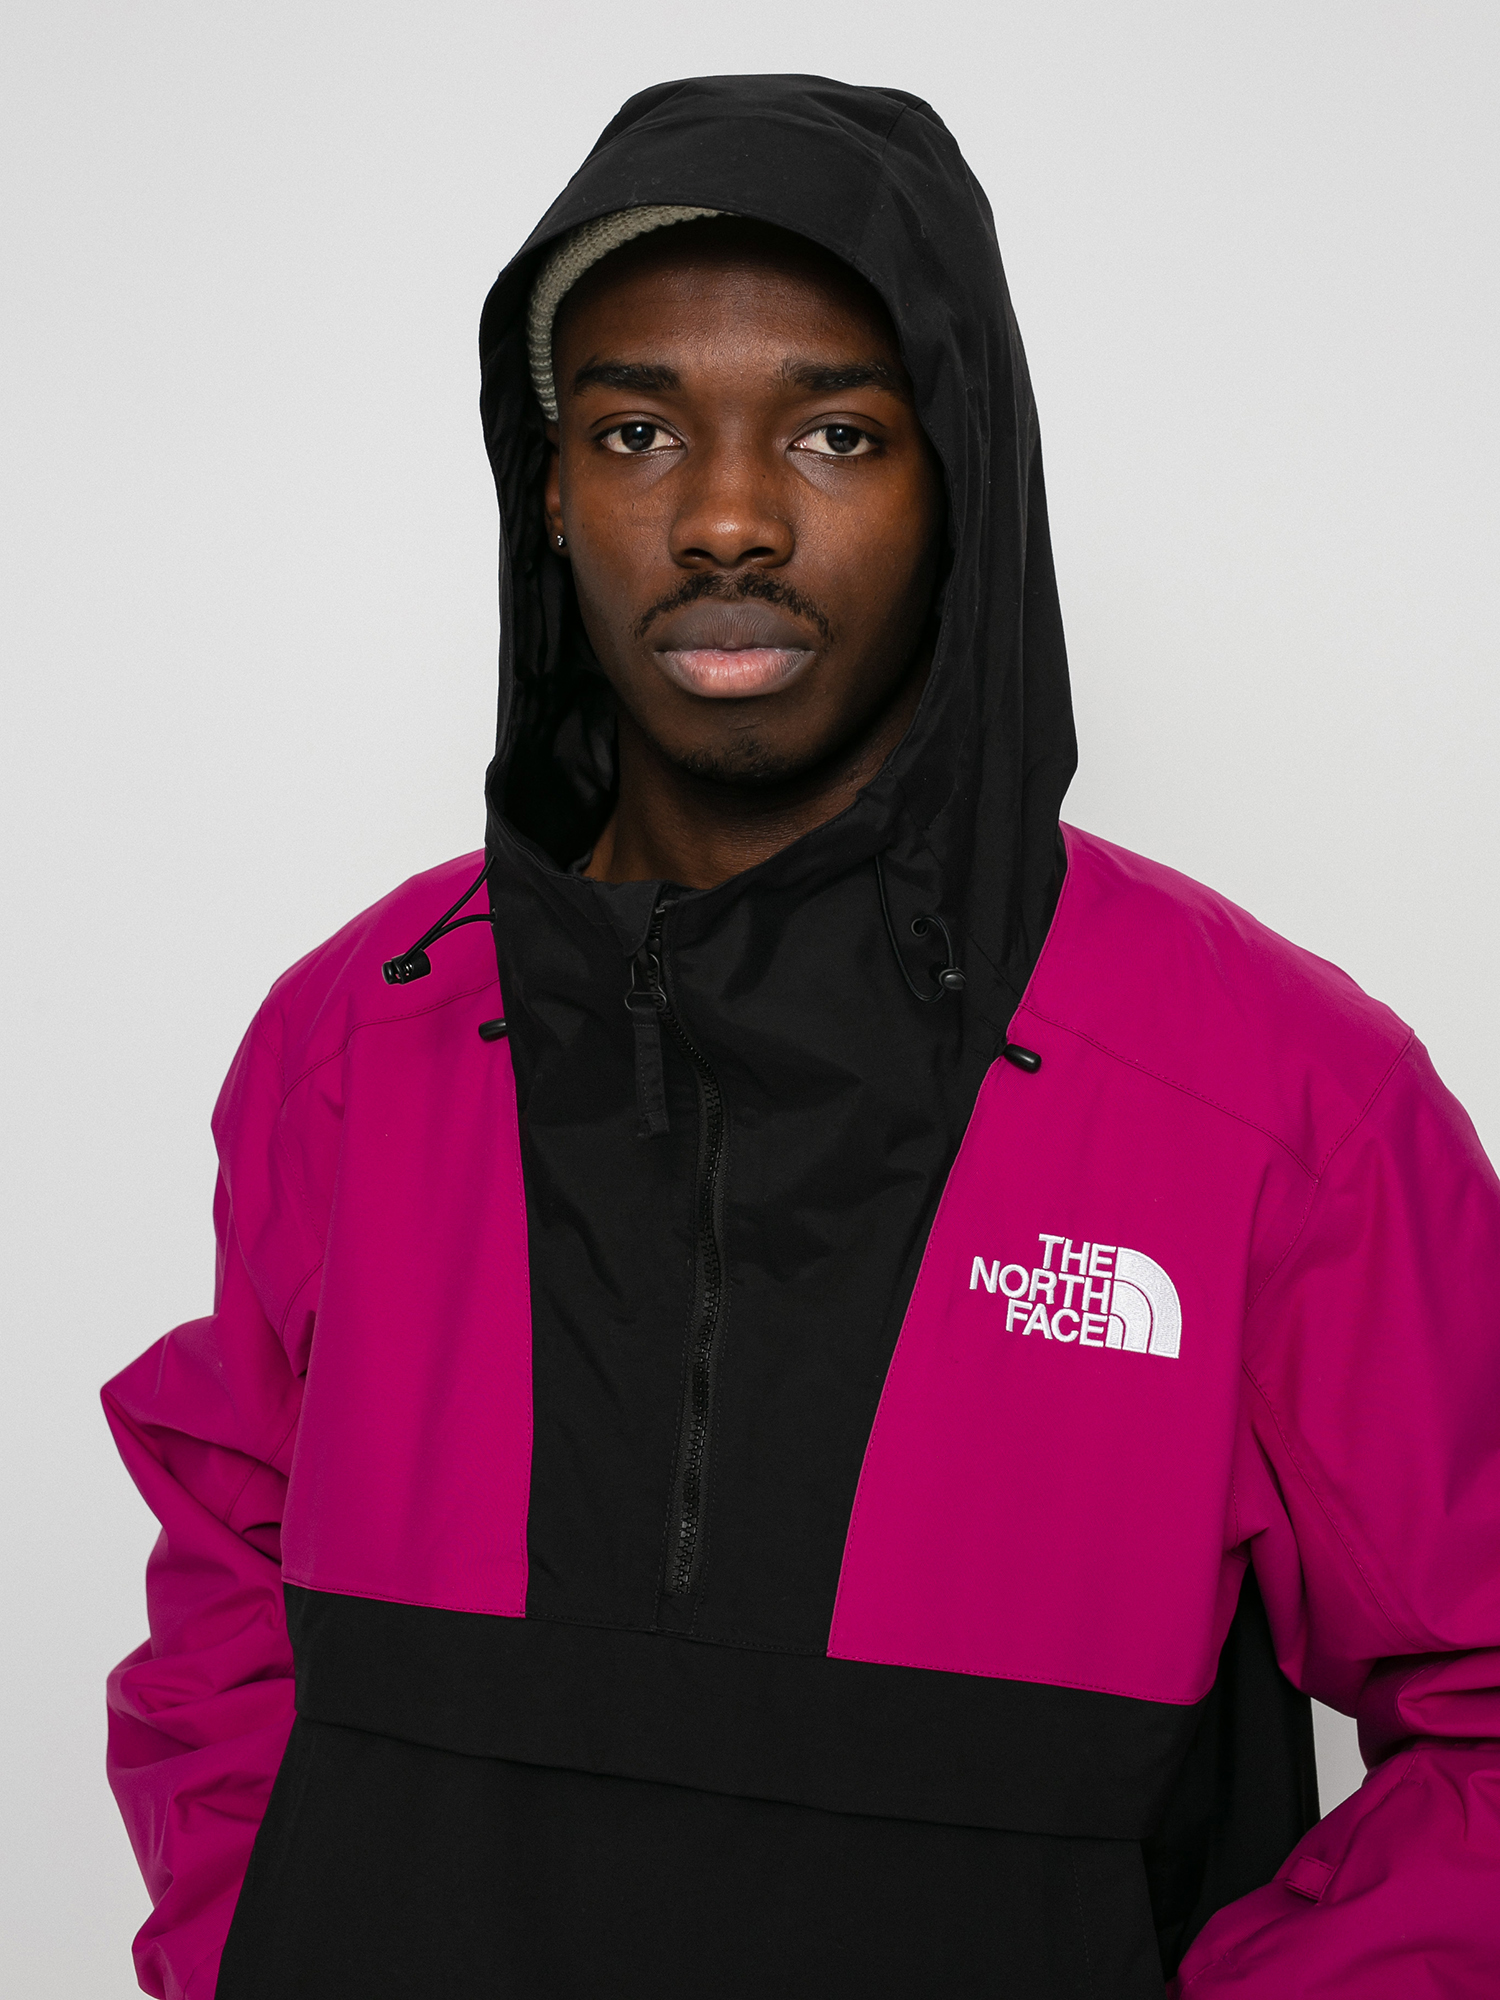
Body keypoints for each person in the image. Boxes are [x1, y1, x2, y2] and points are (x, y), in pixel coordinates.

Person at [103, 73, 1500, 2000]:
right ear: (550, 488)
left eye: (838, 431)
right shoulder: (354, 1041)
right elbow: (224, 1596)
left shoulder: (1283, 1102)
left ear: (963, 484)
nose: (729, 518)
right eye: (637, 429)